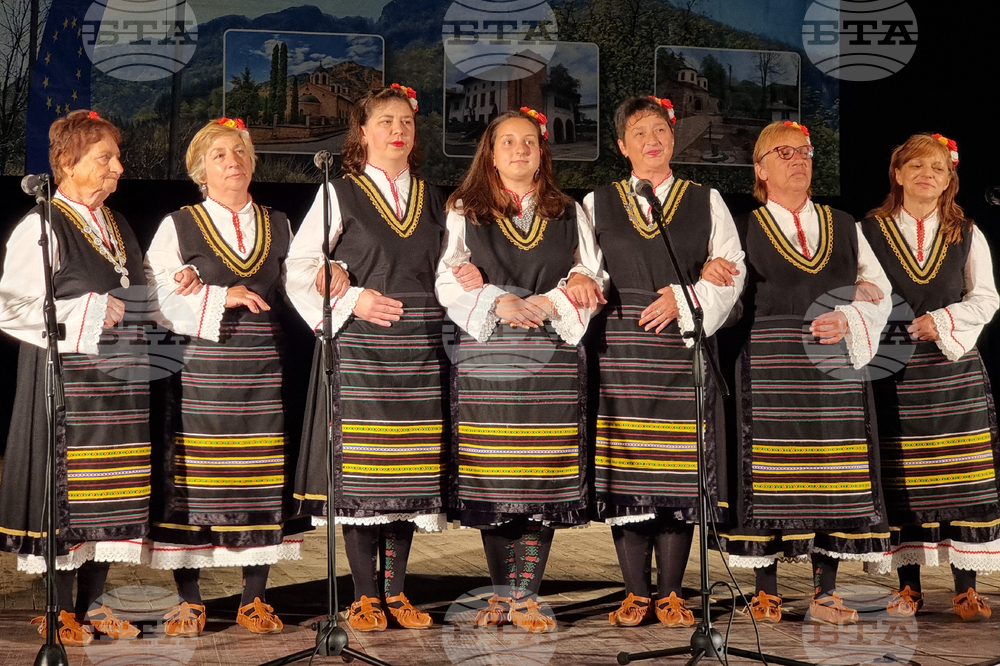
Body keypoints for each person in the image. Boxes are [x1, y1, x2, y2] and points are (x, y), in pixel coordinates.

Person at [286, 84, 454, 632]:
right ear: (362, 132)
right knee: (365, 475)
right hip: (360, 349)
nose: (397, 131)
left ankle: (395, 592)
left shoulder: (436, 198)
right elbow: (301, 265)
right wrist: (350, 295)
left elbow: (451, 267)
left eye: (406, 121)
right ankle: (363, 596)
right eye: (385, 121)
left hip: (420, 350)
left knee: (407, 474)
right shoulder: (339, 193)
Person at [436, 107, 606, 633]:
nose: (519, 149)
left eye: (529, 141)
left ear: (542, 151)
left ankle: (527, 596)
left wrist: (563, 293)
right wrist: (496, 299)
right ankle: (499, 593)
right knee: (495, 480)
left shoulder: (568, 210)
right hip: (489, 358)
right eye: (508, 141)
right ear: (490, 153)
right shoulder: (465, 209)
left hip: (551, 356)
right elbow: (447, 277)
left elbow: (591, 270)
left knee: (540, 479)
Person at [719, 120, 893, 624]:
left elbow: (879, 292)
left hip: (832, 363)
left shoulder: (844, 224)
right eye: (785, 152)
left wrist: (850, 316)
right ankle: (766, 591)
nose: (798, 159)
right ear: (760, 168)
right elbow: (726, 293)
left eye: (805, 151)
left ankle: (825, 593)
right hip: (768, 364)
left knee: (831, 474)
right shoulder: (742, 226)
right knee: (771, 472)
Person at [582, 96, 745, 627]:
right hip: (623, 350)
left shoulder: (706, 200)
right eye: (639, 132)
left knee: (679, 470)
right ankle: (635, 592)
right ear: (621, 145)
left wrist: (687, 296)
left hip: (683, 348)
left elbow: (732, 269)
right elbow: (586, 271)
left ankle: (672, 592)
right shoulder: (597, 203)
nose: (651, 140)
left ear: (673, 138)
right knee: (629, 468)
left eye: (660, 130)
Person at [144, 117, 304, 635]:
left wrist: (336, 272)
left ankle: (254, 599)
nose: (232, 161)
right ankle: (190, 600)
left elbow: (303, 283)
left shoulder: (279, 223)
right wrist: (215, 294)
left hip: (263, 371)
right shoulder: (179, 225)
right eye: (219, 155)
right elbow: (154, 296)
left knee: (260, 477)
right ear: (200, 172)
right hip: (200, 375)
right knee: (197, 480)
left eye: (239, 152)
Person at [0, 109, 145, 644]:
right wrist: (89, 309)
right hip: (69, 387)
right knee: (70, 492)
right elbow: (12, 308)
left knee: (111, 492)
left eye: (117, 157)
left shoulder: (116, 222)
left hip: (119, 385)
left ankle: (94, 606)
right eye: (105, 158)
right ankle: (60, 611)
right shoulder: (43, 224)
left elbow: (141, 288)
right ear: (67, 161)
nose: (118, 168)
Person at [861, 133, 998, 620]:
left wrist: (940, 321)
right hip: (894, 370)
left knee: (964, 479)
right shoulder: (869, 231)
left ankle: (966, 588)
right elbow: (859, 292)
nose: (927, 174)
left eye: (937, 168)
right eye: (917, 165)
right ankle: (908, 587)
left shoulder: (966, 233)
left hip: (952, 370)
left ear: (948, 181)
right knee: (902, 478)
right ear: (897, 174)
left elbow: (986, 298)